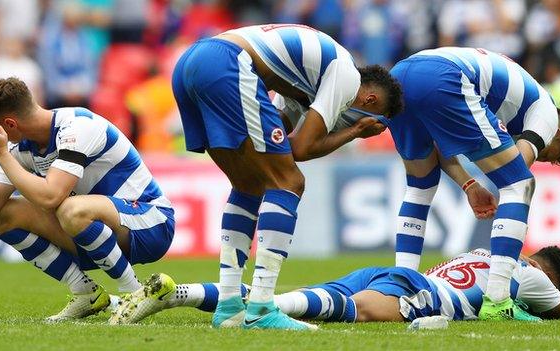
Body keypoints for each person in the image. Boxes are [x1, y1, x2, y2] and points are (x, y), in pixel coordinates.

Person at [112, 23, 403, 330]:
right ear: (369, 101)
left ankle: (228, 306)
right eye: (372, 115)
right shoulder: (346, 76)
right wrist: (355, 131)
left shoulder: (306, 84)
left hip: (193, 62)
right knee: (290, 182)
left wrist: (342, 131)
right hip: (227, 63)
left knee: (249, 183)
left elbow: (285, 147)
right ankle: (263, 306)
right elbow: (303, 149)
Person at [386, 47, 560, 321]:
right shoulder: (545, 112)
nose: (540, 153)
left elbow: (437, 147)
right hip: (444, 75)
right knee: (520, 183)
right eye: (546, 153)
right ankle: (498, 300)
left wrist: (469, 185)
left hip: (402, 73)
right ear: (555, 134)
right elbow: (515, 174)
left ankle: (400, 288)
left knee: (421, 184)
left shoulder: (504, 105)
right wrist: (511, 257)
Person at [0, 77, 175, 322]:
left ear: (9, 124)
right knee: (4, 216)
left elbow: (51, 196)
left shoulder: (77, 126)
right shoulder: (19, 149)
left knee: (70, 208)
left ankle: (134, 293)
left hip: (151, 223)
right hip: (99, 233)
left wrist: (1, 154)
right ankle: (86, 293)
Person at [109, 245, 560, 324]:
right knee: (346, 312)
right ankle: (259, 318)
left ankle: (177, 293)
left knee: (275, 297)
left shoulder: (484, 255)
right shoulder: (528, 275)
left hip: (392, 274)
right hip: (417, 293)